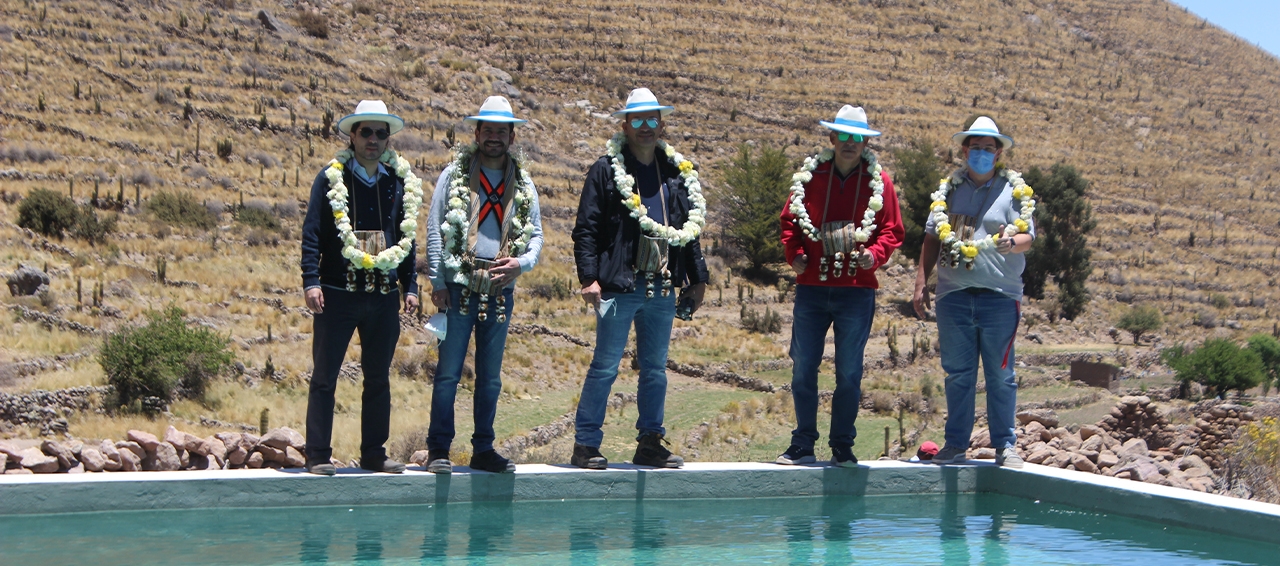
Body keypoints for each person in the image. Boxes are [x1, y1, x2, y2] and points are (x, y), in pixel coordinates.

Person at [570, 88, 709, 469]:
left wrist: (698, 279)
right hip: (620, 284)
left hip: (662, 286)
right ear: (625, 125)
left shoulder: (677, 173)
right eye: (638, 120)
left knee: (655, 368)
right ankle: (586, 444)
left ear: (662, 124)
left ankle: (650, 441)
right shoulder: (606, 169)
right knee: (605, 365)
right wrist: (589, 277)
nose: (646, 128)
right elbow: (587, 228)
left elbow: (688, 229)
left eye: (652, 120)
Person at [300, 99, 423, 475]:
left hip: (383, 296)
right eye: (365, 132)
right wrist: (311, 280)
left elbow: (407, 238)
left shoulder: (399, 181)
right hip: (338, 292)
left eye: (380, 133)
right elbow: (313, 233)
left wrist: (411, 285)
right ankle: (318, 454)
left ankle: (374, 453)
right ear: (352, 135)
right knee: (325, 376)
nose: (373, 139)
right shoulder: (330, 177)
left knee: (378, 378)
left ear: (388, 139)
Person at [777, 105, 904, 468]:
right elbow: (790, 222)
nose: (850, 144)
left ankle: (842, 446)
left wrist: (876, 254)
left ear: (865, 142)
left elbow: (892, 230)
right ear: (831, 138)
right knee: (803, 365)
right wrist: (795, 253)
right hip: (812, 288)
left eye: (857, 138)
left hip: (856, 289)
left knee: (849, 370)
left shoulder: (881, 183)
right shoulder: (809, 177)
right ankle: (802, 443)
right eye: (844, 136)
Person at [423, 96, 544, 474]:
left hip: (499, 289)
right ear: (476, 133)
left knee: (490, 378)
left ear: (511, 136)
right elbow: (434, 226)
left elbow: (537, 235)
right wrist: (437, 280)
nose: (493, 136)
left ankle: (483, 448)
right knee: (448, 373)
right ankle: (439, 449)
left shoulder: (523, 183)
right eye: (487, 130)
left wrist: (521, 264)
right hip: (458, 286)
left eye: (501, 131)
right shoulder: (454, 175)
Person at [912, 115, 1035, 468]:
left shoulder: (1015, 191)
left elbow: (1030, 237)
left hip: (1000, 295)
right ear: (964, 151)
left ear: (998, 153)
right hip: (954, 295)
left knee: (1001, 373)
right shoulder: (948, 191)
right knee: (958, 373)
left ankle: (1005, 446)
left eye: (988, 148)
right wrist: (922, 280)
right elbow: (933, 237)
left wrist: (1013, 243)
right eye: (975, 147)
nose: (982, 153)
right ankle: (955, 445)